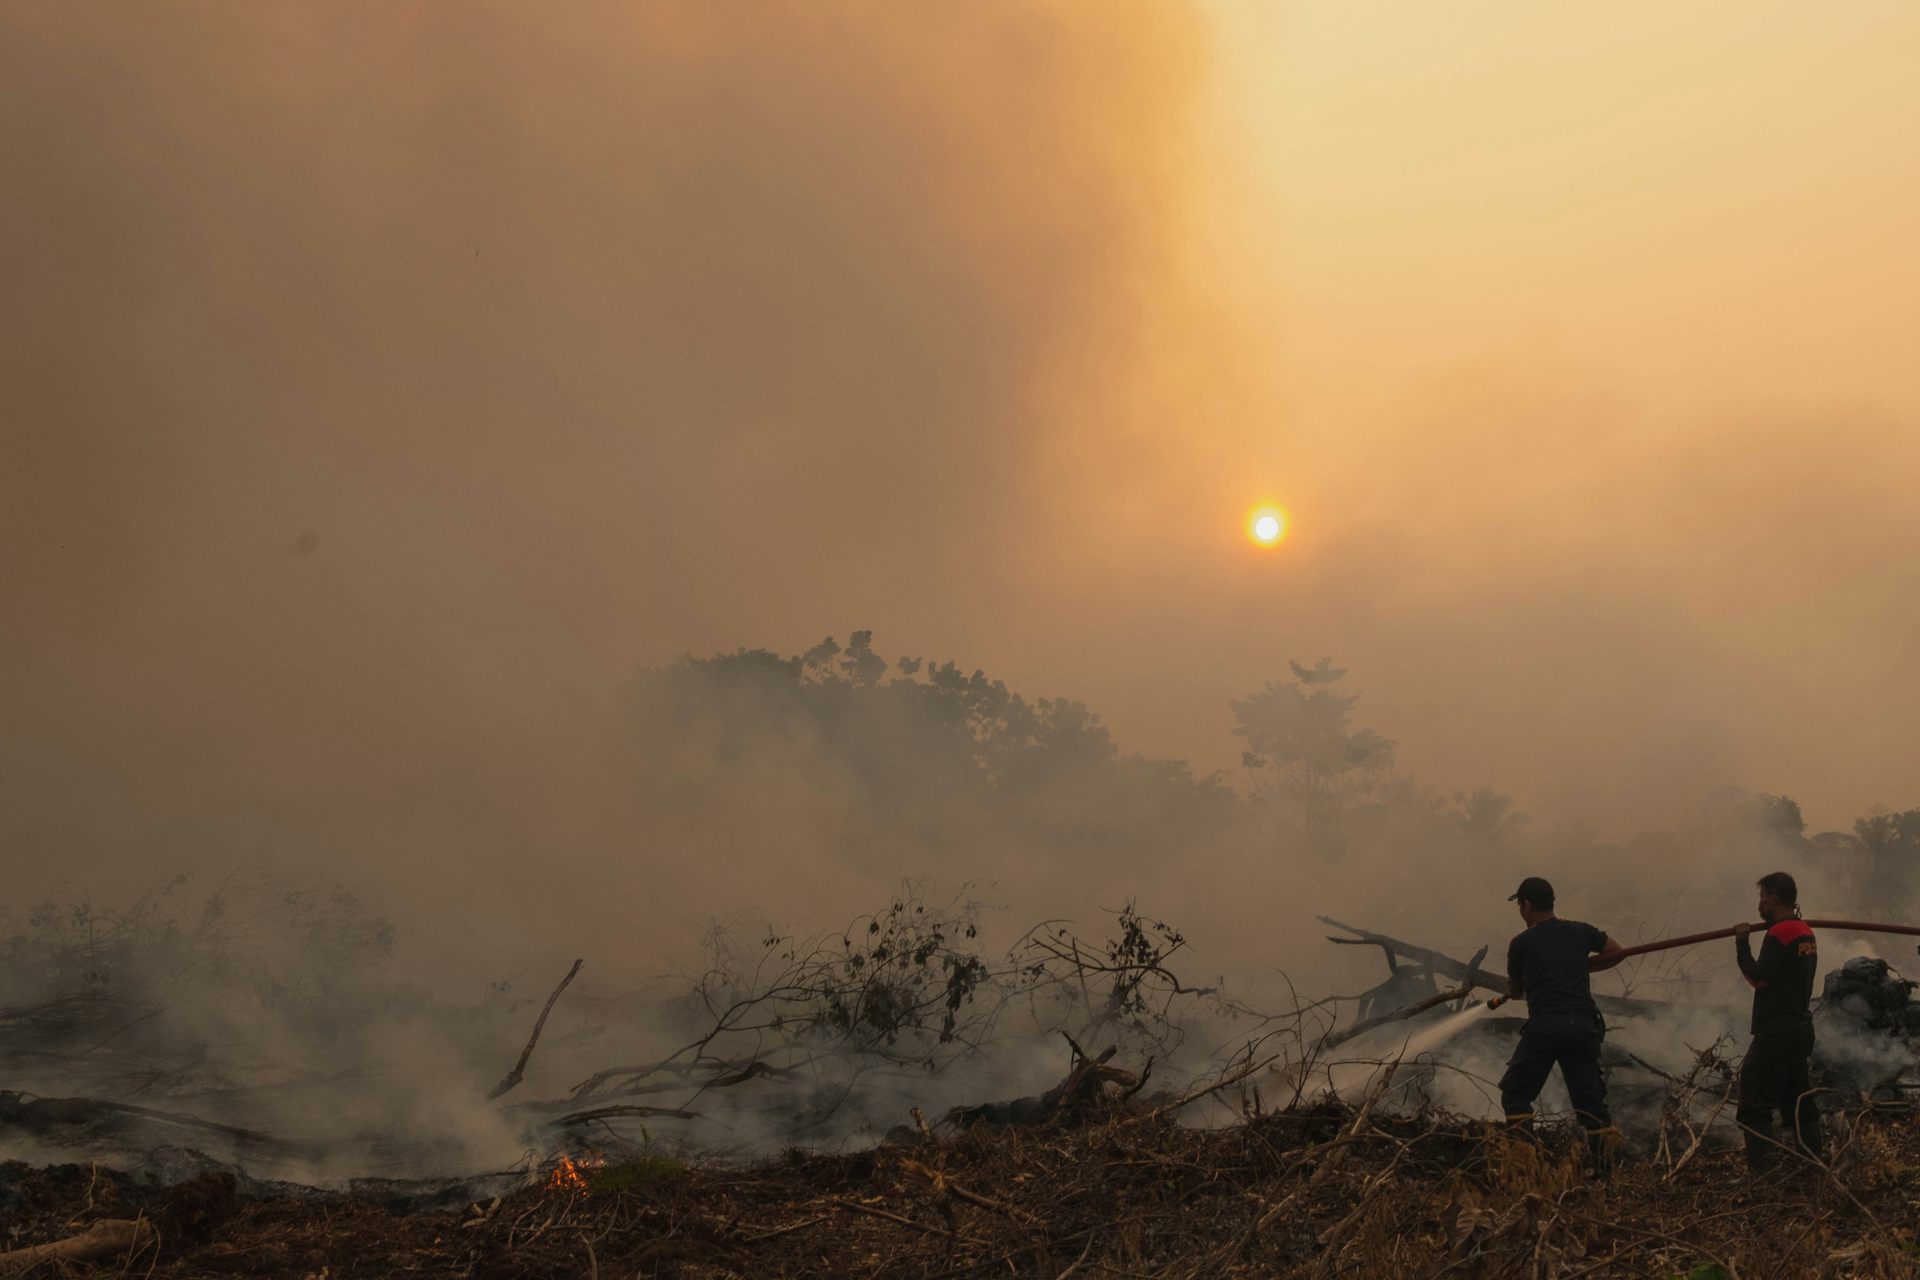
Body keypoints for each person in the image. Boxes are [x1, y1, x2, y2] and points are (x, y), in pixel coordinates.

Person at [1498, 876, 1625, 1173]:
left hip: (1546, 1026)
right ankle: (1605, 1175)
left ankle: (1528, 1169)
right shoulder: (1581, 932)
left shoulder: (1521, 943)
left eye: (1520, 905)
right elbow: (1617, 952)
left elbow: (1515, 990)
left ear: (1527, 905)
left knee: (1516, 1095)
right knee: (1591, 1106)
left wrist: (1527, 982)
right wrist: (1581, 965)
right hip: (1582, 1026)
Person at [1734, 870, 1823, 1173]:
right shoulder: (1805, 931)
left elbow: (1758, 978)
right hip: (1800, 1028)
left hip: (1777, 1031)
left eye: (1762, 898)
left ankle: (1763, 1175)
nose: (1760, 904)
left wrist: (1742, 943)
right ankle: (1814, 1168)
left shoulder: (1780, 933)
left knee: (1753, 1096)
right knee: (1797, 1098)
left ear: (1773, 898)